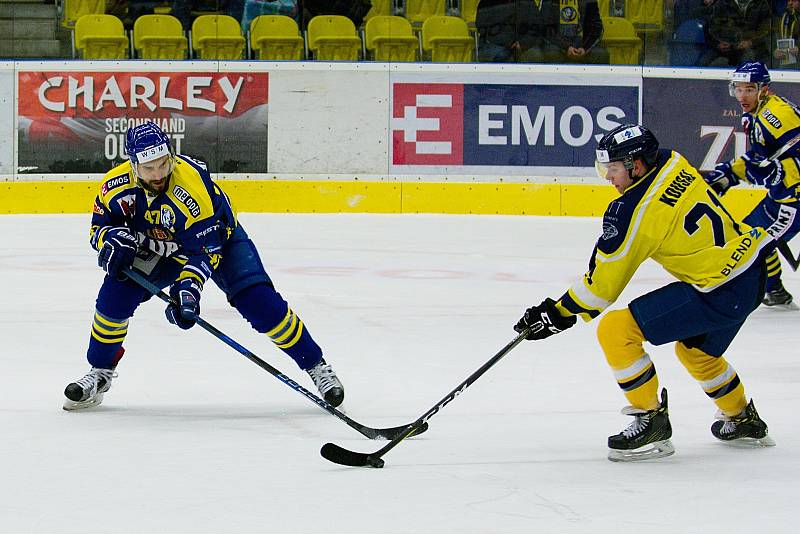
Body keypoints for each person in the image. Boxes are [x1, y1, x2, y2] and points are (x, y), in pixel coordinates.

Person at [514, 124, 775, 462]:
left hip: (720, 289)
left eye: (614, 168)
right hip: (754, 270)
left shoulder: (634, 212)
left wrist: (556, 313)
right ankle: (743, 419)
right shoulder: (672, 160)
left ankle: (650, 420)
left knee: (616, 330)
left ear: (637, 166)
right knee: (697, 352)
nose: (608, 177)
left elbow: (601, 289)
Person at [63, 122, 344, 410]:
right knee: (113, 298)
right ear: (133, 164)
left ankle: (315, 365)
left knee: (260, 303)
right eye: (149, 168)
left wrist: (188, 292)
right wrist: (111, 239)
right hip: (158, 248)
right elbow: (98, 228)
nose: (158, 174)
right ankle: (100, 372)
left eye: (163, 164)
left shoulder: (192, 186)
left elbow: (206, 252)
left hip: (218, 241)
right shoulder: (115, 187)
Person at [705, 61, 800, 309]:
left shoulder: (776, 117)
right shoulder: (757, 113)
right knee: (749, 234)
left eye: (748, 89)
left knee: (755, 242)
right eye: (738, 89)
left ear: (764, 89)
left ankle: (771, 289)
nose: (742, 95)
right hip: (783, 195)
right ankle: (775, 290)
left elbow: (777, 166)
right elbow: (760, 160)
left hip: (794, 199)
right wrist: (729, 174)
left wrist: (773, 174)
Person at [698, 0, 771, 67]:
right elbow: (713, 27)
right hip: (725, 47)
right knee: (702, 63)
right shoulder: (722, 3)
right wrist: (717, 43)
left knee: (747, 61)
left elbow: (766, 30)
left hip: (750, 47)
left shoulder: (761, 4)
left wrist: (751, 42)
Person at [774, 0, 800, 69]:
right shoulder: (785, 17)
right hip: (787, 65)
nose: (790, 3)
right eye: (788, 0)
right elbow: (774, 37)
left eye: (794, 0)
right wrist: (775, 51)